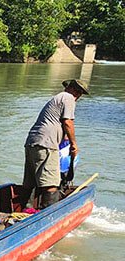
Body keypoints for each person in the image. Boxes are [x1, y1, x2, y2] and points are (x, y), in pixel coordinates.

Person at [22, 78, 89, 209]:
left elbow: (58, 125)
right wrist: (74, 144)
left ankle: (24, 209)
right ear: (76, 91)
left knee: (30, 183)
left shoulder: (57, 98)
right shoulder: (68, 98)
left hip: (32, 142)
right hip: (46, 143)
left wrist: (65, 138)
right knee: (51, 183)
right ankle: (47, 216)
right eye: (79, 92)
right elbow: (68, 122)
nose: (78, 96)